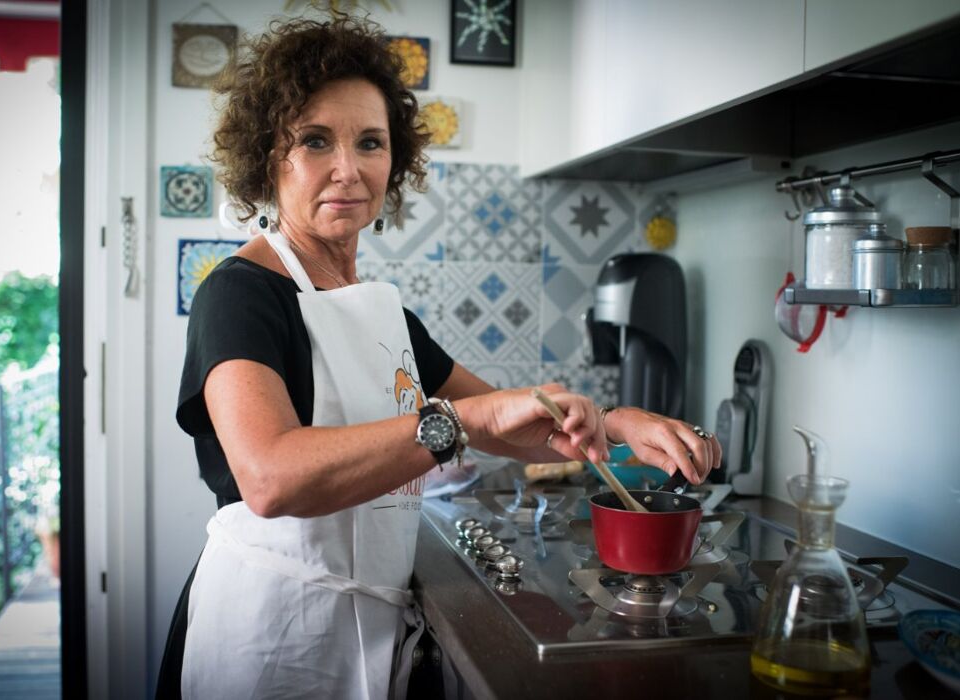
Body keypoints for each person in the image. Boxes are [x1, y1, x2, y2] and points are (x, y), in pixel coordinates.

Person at [156, 15, 722, 700]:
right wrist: (456, 421)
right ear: (266, 158)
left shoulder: (382, 311)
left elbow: (512, 427)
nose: (348, 168)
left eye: (370, 142)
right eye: (313, 141)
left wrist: (616, 421)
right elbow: (271, 479)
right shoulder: (239, 295)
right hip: (272, 634)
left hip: (367, 621)